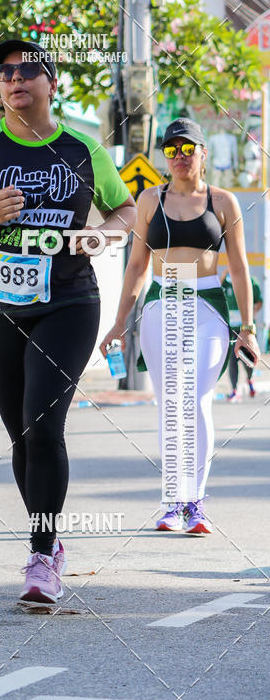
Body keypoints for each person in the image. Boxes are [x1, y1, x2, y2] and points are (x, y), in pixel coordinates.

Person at [0, 38, 136, 604]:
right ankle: (49, 538)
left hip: (69, 302)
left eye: (26, 70)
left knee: (43, 425)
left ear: (50, 82)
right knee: (21, 433)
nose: (13, 79)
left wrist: (106, 234)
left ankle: (41, 552)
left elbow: (125, 207)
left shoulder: (82, 148)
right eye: (3, 72)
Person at [100, 118, 260, 534]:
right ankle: (173, 501)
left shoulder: (223, 201)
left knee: (196, 400)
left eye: (188, 149)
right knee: (170, 404)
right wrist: (119, 324)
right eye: (171, 150)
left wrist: (249, 327)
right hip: (159, 305)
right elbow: (136, 265)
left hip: (207, 305)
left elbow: (240, 269)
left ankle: (195, 502)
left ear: (203, 153)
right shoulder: (150, 199)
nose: (180, 157)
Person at [221, 269, 262, 401]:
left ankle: (250, 380)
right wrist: (224, 274)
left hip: (245, 329)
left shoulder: (250, 281)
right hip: (232, 329)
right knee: (232, 360)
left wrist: (250, 315)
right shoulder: (227, 282)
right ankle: (234, 390)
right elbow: (219, 288)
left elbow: (259, 301)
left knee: (247, 359)